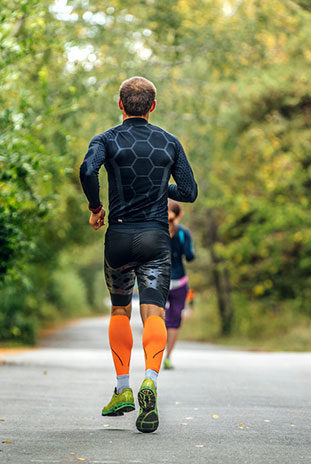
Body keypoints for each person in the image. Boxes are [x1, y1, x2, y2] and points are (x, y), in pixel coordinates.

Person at [79, 76, 197, 433]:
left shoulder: (107, 139)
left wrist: (96, 206)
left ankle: (122, 389)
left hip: (118, 237)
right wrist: (161, 186)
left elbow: (87, 170)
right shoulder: (169, 142)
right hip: (155, 240)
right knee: (153, 313)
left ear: (120, 104)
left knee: (119, 309)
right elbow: (189, 191)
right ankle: (150, 381)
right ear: (152, 106)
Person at [162, 200, 194, 370]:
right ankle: (167, 357)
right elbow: (190, 256)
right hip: (180, 282)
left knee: (157, 317)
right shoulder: (183, 233)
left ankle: (155, 355)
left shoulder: (158, 230)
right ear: (179, 215)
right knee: (174, 321)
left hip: (160, 280)